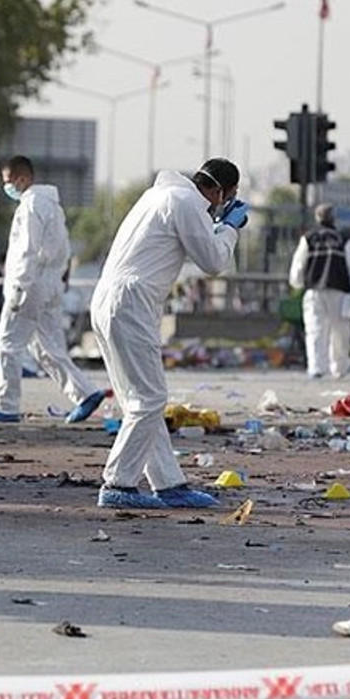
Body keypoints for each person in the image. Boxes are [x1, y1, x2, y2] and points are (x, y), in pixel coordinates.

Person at [90, 158, 249, 509]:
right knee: (149, 400)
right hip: (130, 302)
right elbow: (212, 261)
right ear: (221, 191)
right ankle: (117, 483)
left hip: (109, 299)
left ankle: (168, 483)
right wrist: (230, 229)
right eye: (228, 197)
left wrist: (217, 225)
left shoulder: (160, 195)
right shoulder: (186, 202)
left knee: (140, 400)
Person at [0, 156, 107, 425]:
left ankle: (6, 406)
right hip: (50, 284)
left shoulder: (31, 205)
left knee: (8, 343)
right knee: (47, 347)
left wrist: (19, 287)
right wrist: (61, 277)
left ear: (22, 179)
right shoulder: (53, 206)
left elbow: (27, 249)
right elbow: (64, 247)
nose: (7, 187)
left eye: (9, 182)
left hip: (30, 284)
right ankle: (86, 393)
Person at [288, 203, 350, 378]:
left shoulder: (309, 239)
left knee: (315, 330)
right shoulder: (343, 239)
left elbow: (297, 268)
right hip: (340, 292)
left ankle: (317, 368)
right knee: (340, 332)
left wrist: (299, 284)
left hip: (314, 291)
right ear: (334, 218)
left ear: (317, 218)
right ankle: (339, 368)